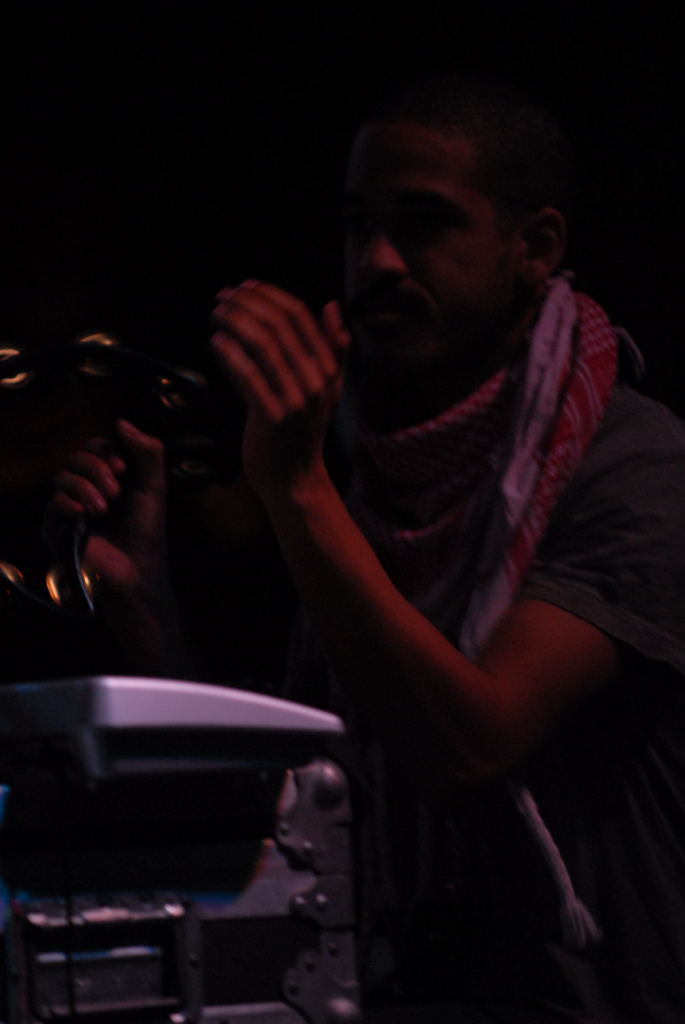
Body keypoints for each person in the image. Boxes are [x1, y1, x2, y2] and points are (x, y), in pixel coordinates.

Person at [53, 75, 685, 1022]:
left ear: (535, 247)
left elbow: (472, 744)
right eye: (358, 225)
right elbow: (295, 811)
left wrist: (296, 488)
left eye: (424, 223)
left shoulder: (636, 464)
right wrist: (145, 604)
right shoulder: (375, 475)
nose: (377, 260)